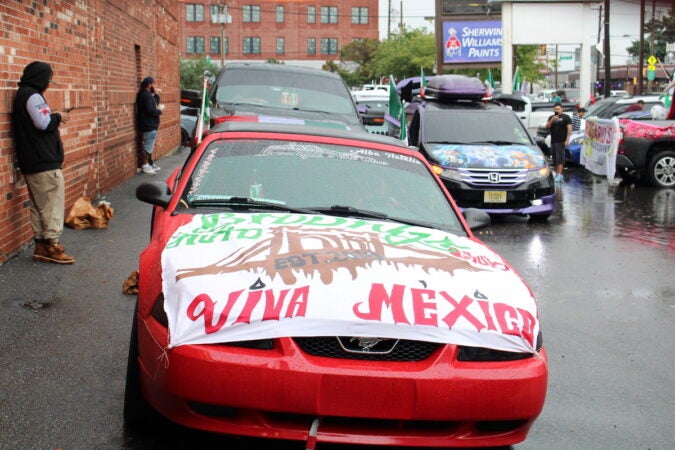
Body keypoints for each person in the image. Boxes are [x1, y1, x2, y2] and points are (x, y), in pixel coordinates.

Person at [12, 61, 75, 264]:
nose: (48, 83)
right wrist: (58, 116)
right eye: (48, 79)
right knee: (52, 204)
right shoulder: (33, 96)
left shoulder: (24, 94)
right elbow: (43, 123)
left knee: (39, 205)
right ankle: (52, 245)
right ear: (40, 78)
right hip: (43, 160)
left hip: (32, 160)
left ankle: (41, 245)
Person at [135, 76, 163, 174]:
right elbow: (151, 110)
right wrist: (159, 111)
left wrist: (156, 95)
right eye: (153, 84)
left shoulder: (145, 94)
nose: (154, 86)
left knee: (149, 146)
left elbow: (153, 104)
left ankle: (149, 163)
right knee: (147, 146)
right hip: (148, 124)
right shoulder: (146, 95)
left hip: (148, 124)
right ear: (149, 84)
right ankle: (145, 165)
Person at [545, 103, 572, 183]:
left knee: (560, 159)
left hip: (561, 141)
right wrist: (552, 120)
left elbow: (569, 129)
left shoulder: (566, 117)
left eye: (558, 109)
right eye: (555, 109)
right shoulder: (551, 117)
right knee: (555, 159)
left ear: (562, 109)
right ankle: (557, 174)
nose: (557, 110)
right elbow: (547, 127)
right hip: (553, 140)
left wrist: (567, 140)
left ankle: (560, 175)